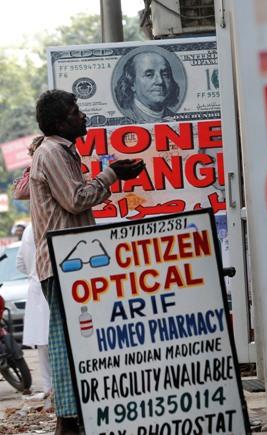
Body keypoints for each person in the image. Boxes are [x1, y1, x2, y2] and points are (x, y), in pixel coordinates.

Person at [30, 89, 144, 434]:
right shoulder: (52, 152)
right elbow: (76, 200)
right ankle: (67, 419)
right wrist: (111, 175)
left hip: (71, 262)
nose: (82, 116)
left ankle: (76, 415)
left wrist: (110, 175)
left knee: (80, 337)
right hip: (63, 263)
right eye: (75, 111)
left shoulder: (61, 151)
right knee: (68, 338)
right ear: (59, 121)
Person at [16, 223, 51, 402]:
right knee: (55, 339)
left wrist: (32, 272)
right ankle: (56, 387)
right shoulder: (48, 222)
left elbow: (20, 264)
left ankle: (48, 388)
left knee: (42, 343)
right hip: (49, 284)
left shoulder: (29, 229)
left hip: (35, 288)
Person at [114, 50, 180, 123]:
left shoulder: (175, 117)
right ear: (132, 83)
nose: (160, 81)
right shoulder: (127, 115)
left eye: (165, 75)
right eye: (149, 75)